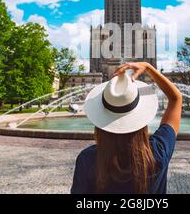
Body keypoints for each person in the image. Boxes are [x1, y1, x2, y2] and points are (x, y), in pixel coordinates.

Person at [71, 62, 182, 194]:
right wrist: (148, 67)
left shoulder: (87, 159)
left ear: (100, 122)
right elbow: (176, 99)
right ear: (141, 118)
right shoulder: (158, 152)